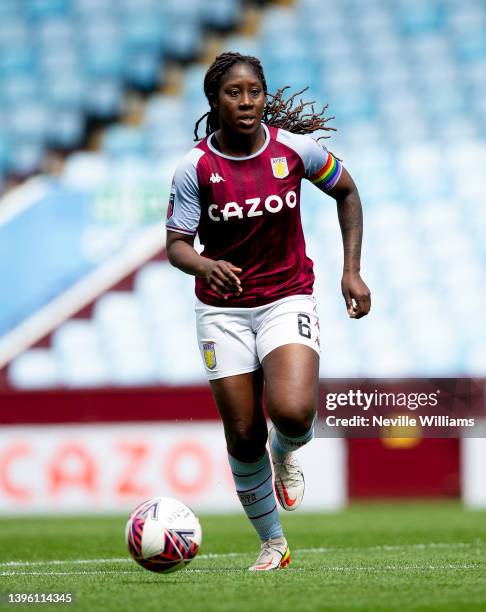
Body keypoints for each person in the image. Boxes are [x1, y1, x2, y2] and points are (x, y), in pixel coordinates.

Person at [166, 52, 371, 571]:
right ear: (214, 101)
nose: (246, 101)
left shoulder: (294, 150)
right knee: (242, 434)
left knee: (293, 413)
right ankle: (273, 544)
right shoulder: (196, 168)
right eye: (233, 93)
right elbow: (175, 245)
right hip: (222, 312)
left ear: (264, 95)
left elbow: (347, 191)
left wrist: (351, 270)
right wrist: (203, 265)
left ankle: (286, 453)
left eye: (254, 91)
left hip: (287, 297)